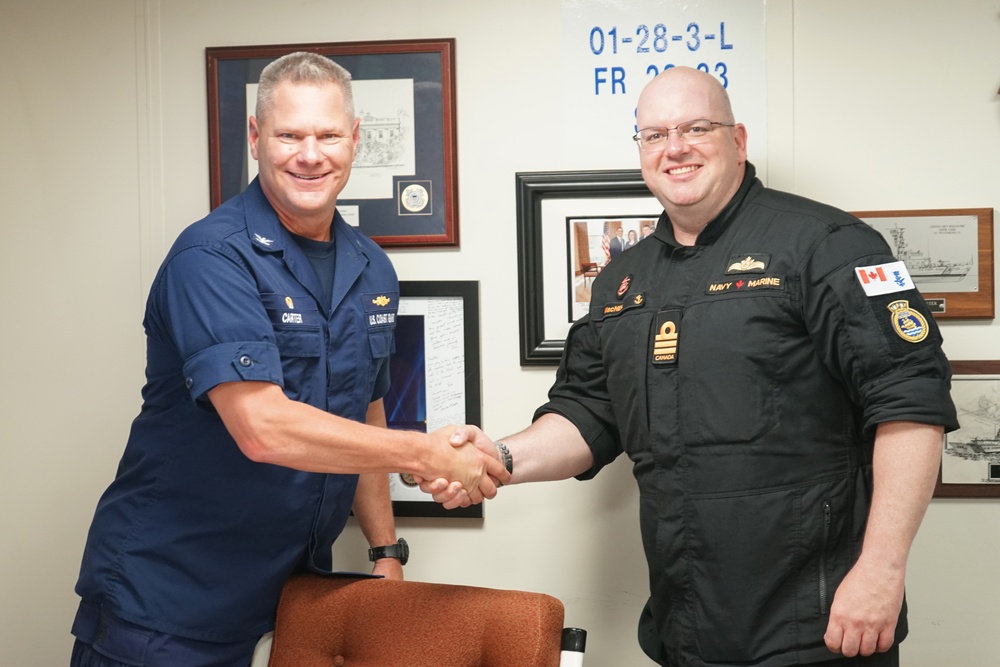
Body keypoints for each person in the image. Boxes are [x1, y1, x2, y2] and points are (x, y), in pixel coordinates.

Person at [427, 66, 957, 666]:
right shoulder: (623, 281)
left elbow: (910, 405)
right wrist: (495, 459)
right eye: (654, 135)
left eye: (695, 127)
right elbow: (588, 415)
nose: (674, 148)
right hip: (687, 625)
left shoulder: (827, 245)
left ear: (739, 140)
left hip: (820, 625)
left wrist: (882, 572)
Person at [70, 52, 507, 667]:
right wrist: (427, 453)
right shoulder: (211, 258)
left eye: (328, 134)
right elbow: (263, 428)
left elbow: (367, 411)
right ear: (255, 138)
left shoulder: (371, 267)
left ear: (355, 141)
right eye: (289, 135)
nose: (311, 154)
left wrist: (386, 551)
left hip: (290, 599)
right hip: (170, 602)